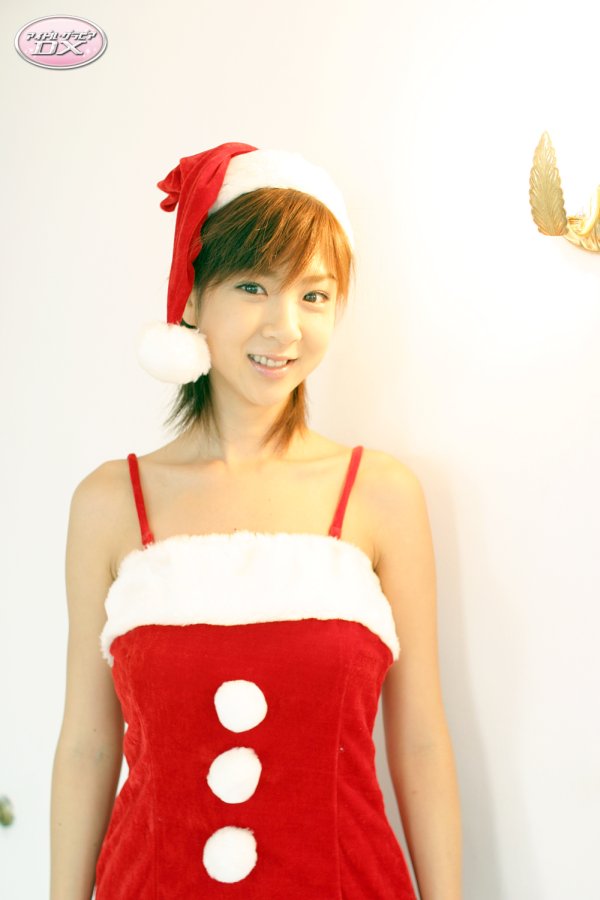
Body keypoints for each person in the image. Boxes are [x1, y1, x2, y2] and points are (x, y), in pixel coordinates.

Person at [50, 141, 462, 899]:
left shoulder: (380, 495)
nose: (285, 327)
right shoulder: (110, 503)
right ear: (191, 297)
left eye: (315, 295)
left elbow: (422, 741)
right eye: (252, 286)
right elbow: (86, 745)